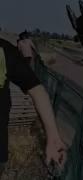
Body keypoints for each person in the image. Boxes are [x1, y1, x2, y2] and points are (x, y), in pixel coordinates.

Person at [0, 38, 66, 177]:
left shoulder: (4, 49)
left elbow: (36, 90)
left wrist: (53, 137)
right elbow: (37, 90)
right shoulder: (5, 48)